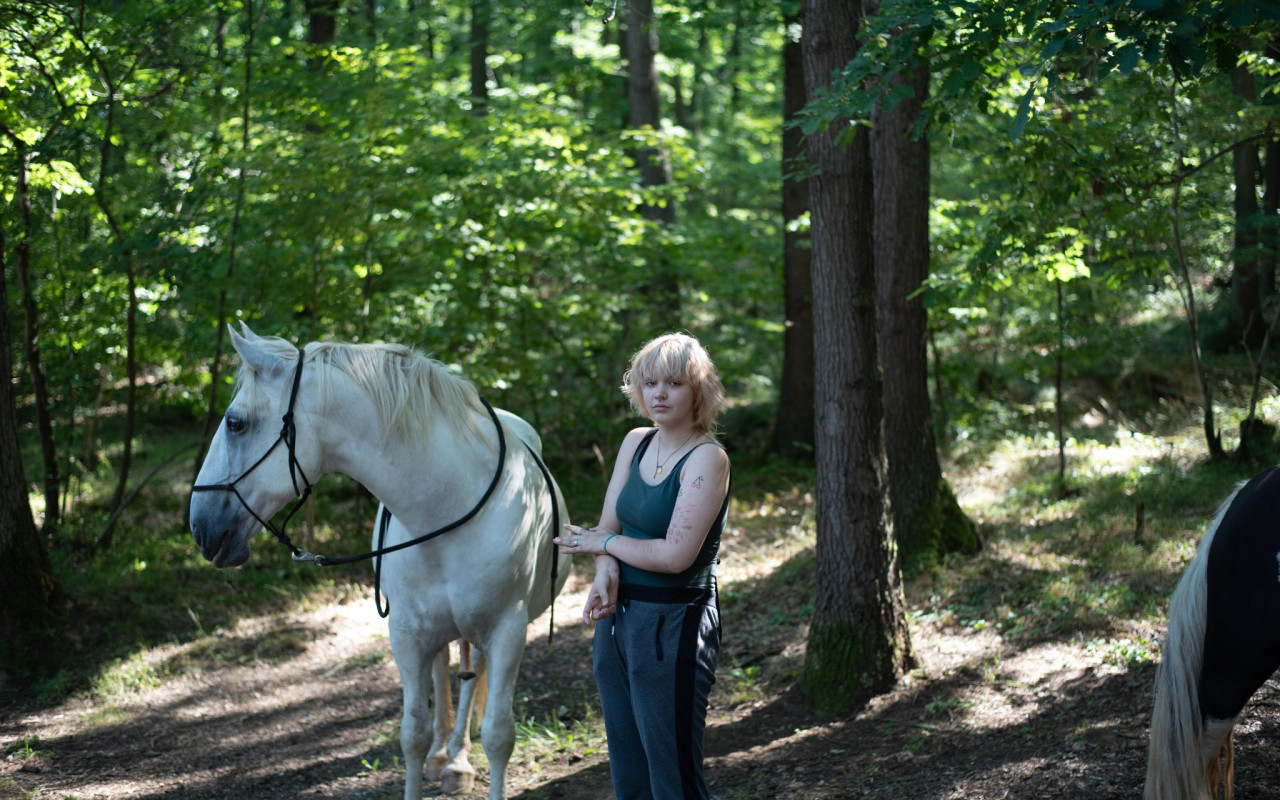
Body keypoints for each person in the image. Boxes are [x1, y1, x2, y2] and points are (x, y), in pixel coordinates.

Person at [554, 332, 731, 800]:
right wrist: (604, 570)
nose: (658, 393)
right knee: (629, 770)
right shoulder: (635, 443)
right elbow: (609, 527)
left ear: (699, 391)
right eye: (649, 382)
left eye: (673, 383)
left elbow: (674, 556)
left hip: (673, 623)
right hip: (617, 621)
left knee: (672, 775)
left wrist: (606, 543)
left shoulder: (708, 458)